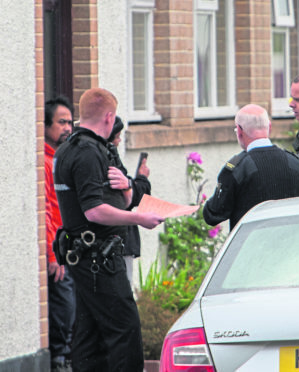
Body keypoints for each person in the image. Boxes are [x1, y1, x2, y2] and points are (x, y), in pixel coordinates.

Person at [53, 87, 164, 372]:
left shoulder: (69, 148)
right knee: (125, 331)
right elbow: (94, 210)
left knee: (89, 337)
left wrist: (127, 186)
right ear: (109, 117)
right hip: (98, 260)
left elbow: (117, 200)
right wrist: (140, 219)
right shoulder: (89, 153)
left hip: (86, 259)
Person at [203, 104, 299, 230]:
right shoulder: (298, 164)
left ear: (239, 131)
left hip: (253, 246)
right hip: (291, 245)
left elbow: (213, 214)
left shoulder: (236, 169)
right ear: (269, 128)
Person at [45, 95, 76, 372]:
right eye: (61, 122)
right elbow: (45, 211)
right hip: (56, 250)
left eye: (70, 122)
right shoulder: (44, 162)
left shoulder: (61, 159)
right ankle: (60, 358)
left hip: (67, 246)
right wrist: (54, 253)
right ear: (46, 126)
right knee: (64, 303)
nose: (67, 127)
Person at [107, 116, 151, 284]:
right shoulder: (108, 158)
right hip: (119, 239)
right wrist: (141, 180)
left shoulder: (108, 155)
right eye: (117, 136)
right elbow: (129, 198)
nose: (118, 141)